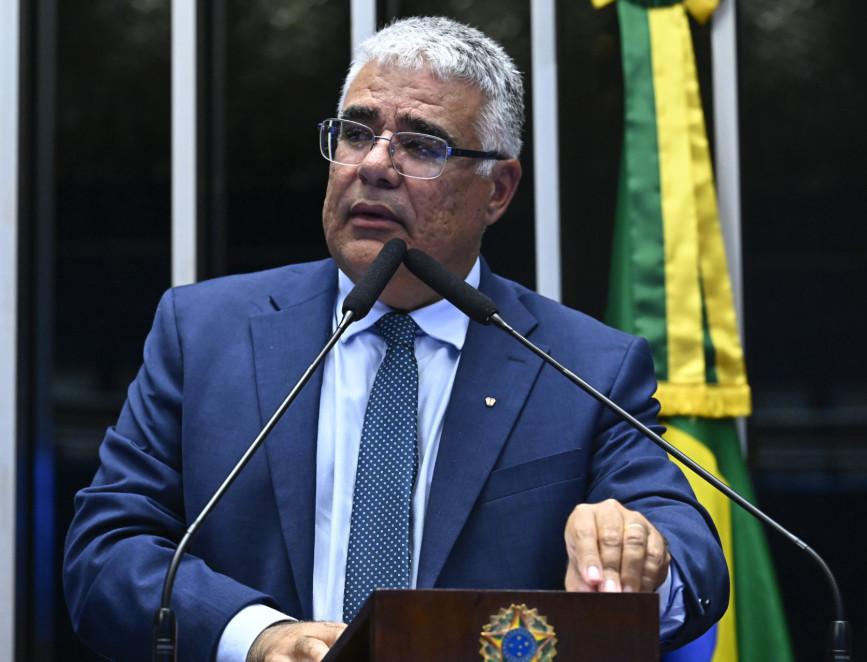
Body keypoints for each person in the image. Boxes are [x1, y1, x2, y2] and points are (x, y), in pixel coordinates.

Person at [63, 16, 728, 662]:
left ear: (496, 190)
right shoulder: (206, 332)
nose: (374, 165)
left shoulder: (583, 366)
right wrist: (255, 637)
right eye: (355, 133)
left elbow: (692, 560)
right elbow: (107, 552)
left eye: (421, 145)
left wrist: (641, 555)